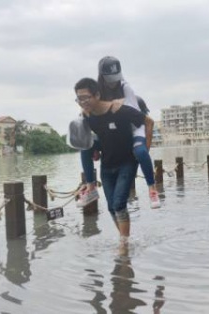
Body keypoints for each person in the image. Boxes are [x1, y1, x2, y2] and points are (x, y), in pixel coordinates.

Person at [71, 77, 146, 248]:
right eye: (79, 99)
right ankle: (124, 241)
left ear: (97, 95)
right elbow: (95, 139)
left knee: (119, 203)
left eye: (86, 97)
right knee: (112, 207)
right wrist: (95, 148)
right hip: (107, 165)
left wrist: (143, 150)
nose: (83, 102)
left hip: (127, 162)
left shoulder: (118, 109)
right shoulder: (87, 118)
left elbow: (146, 122)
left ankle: (124, 247)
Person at [77, 56, 160, 209]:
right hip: (110, 132)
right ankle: (91, 187)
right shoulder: (96, 91)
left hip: (133, 126)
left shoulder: (125, 87)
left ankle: (152, 189)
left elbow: (131, 113)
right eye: (109, 78)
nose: (113, 81)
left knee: (141, 152)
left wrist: (142, 151)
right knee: (85, 147)